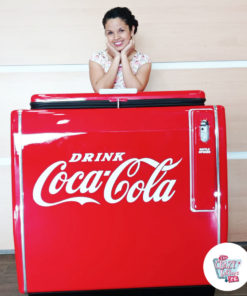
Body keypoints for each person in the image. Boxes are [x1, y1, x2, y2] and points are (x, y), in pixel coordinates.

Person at [89, 7, 151, 92]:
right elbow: (100, 91)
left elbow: (135, 91)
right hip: (106, 106)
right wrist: (117, 57)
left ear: (132, 30)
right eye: (110, 32)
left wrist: (124, 56)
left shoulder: (143, 60)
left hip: (132, 106)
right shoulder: (97, 59)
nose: (116, 37)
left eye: (121, 30)